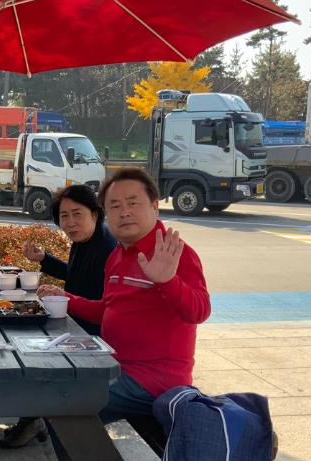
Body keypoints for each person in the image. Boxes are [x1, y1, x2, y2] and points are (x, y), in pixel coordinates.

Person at [43, 168, 211, 420]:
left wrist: (168, 281)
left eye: (133, 203)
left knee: (64, 399)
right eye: (115, 206)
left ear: (154, 206)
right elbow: (108, 309)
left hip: (155, 381)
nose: (124, 212)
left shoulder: (173, 252)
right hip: (115, 366)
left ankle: (68, 445)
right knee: (48, 378)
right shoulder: (117, 256)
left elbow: (200, 311)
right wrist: (65, 298)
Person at [0, 184, 117, 448]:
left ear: (95, 214)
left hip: (95, 338)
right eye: (64, 216)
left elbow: (104, 308)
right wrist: (44, 258)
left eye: (77, 214)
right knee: (22, 342)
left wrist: (64, 298)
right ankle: (32, 417)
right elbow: (75, 274)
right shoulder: (85, 241)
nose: (70, 222)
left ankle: (36, 420)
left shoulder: (108, 249)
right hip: (76, 325)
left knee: (32, 353)